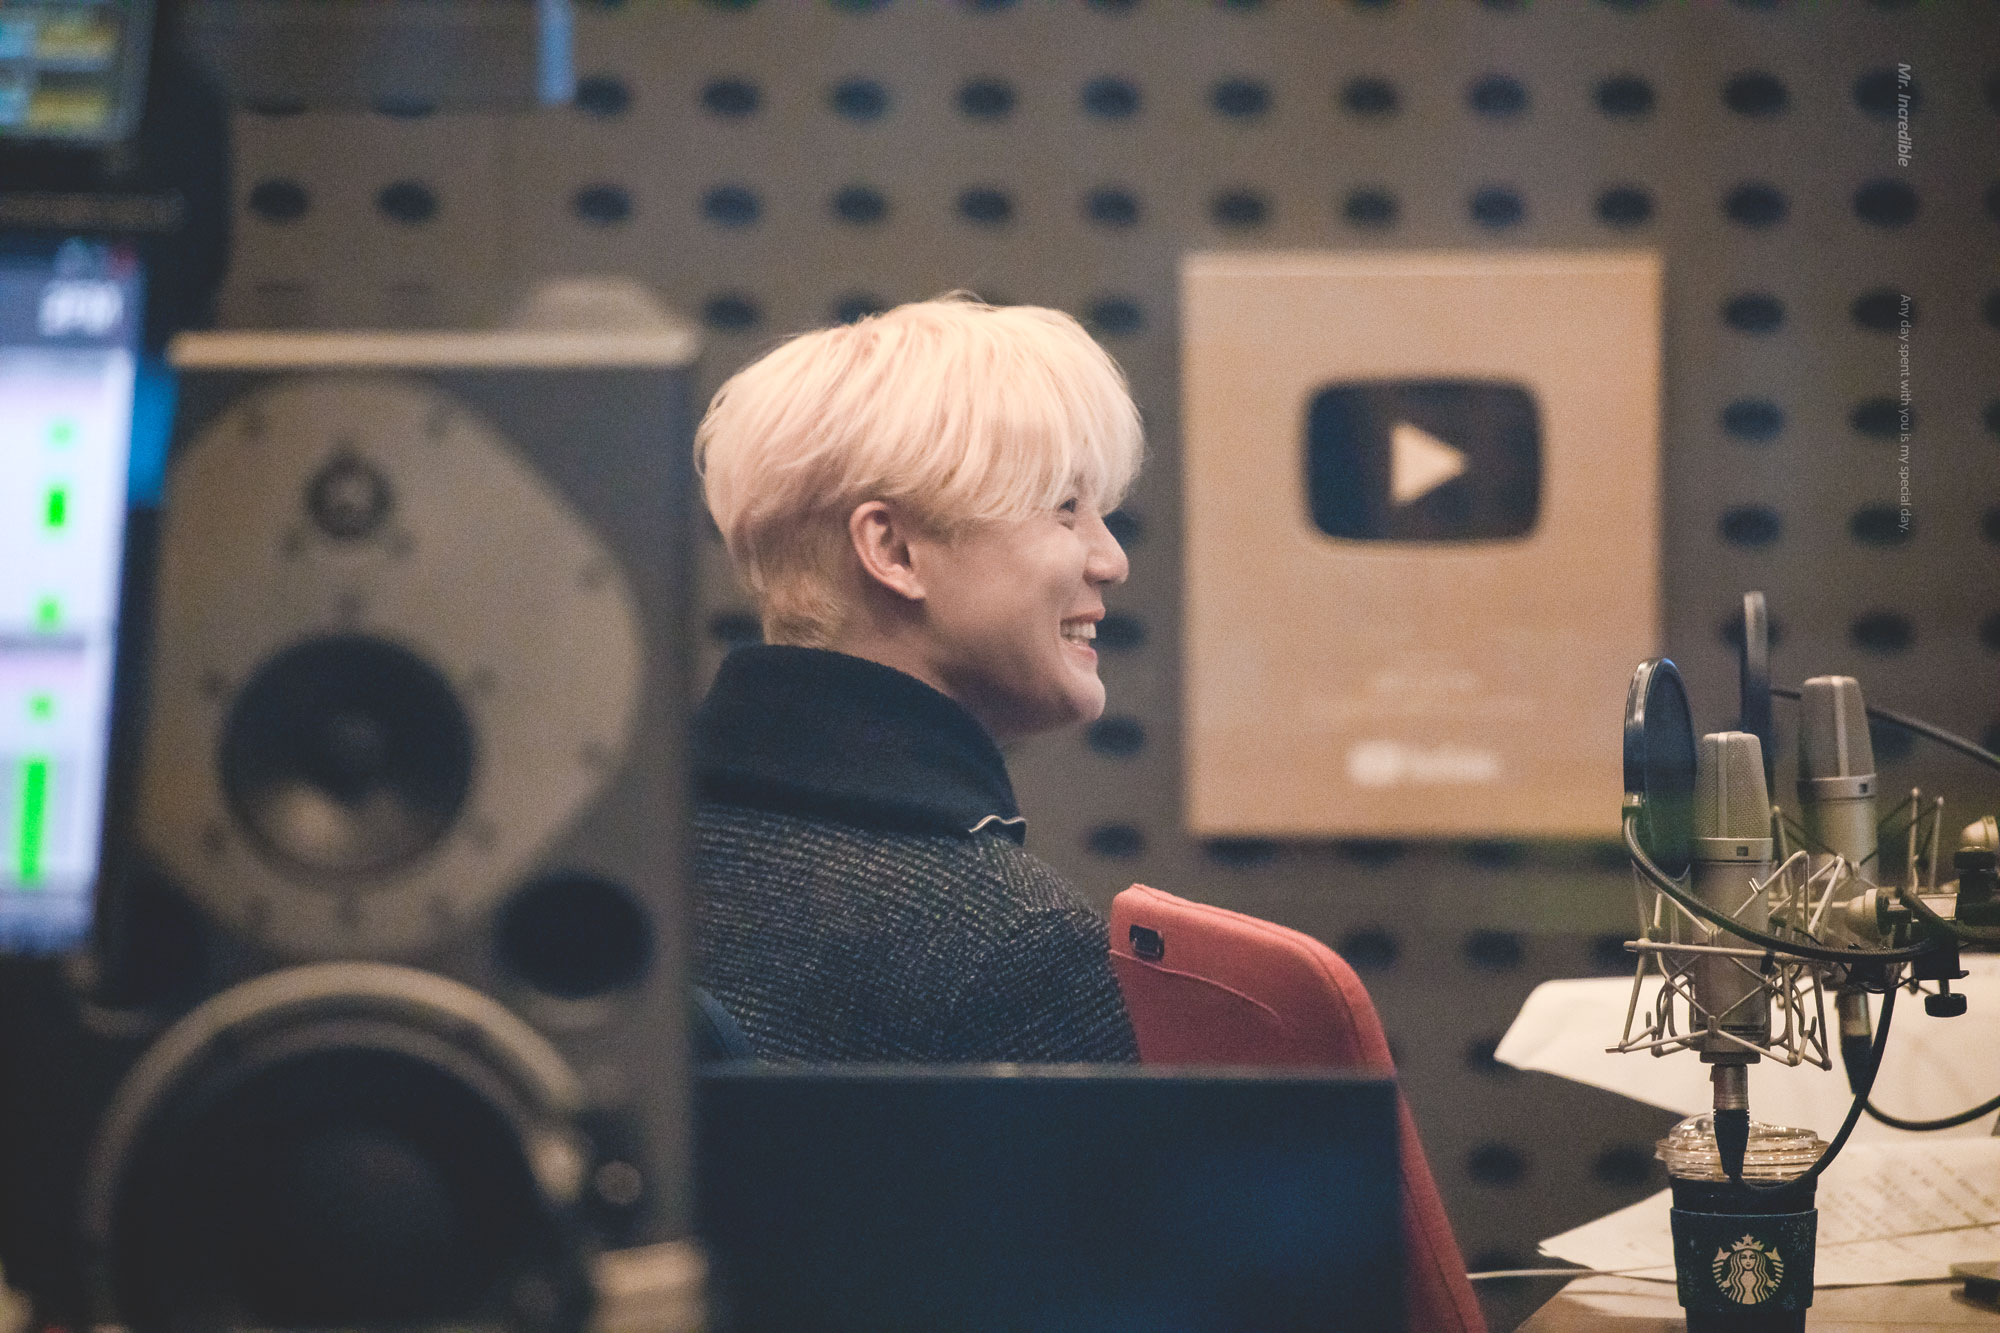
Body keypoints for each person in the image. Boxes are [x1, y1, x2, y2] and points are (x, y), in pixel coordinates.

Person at [690, 293, 1143, 1062]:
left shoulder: (620, 870)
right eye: (1066, 508)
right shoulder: (1017, 944)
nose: (1111, 559)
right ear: (893, 550)